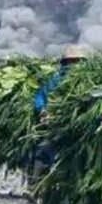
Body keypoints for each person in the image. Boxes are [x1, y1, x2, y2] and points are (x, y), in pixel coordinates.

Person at [30, 44, 90, 181]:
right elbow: (40, 96)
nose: (74, 65)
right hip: (56, 123)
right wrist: (43, 110)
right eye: (71, 61)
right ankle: (35, 183)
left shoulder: (89, 80)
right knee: (45, 147)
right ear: (65, 62)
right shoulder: (56, 79)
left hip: (80, 125)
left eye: (77, 61)